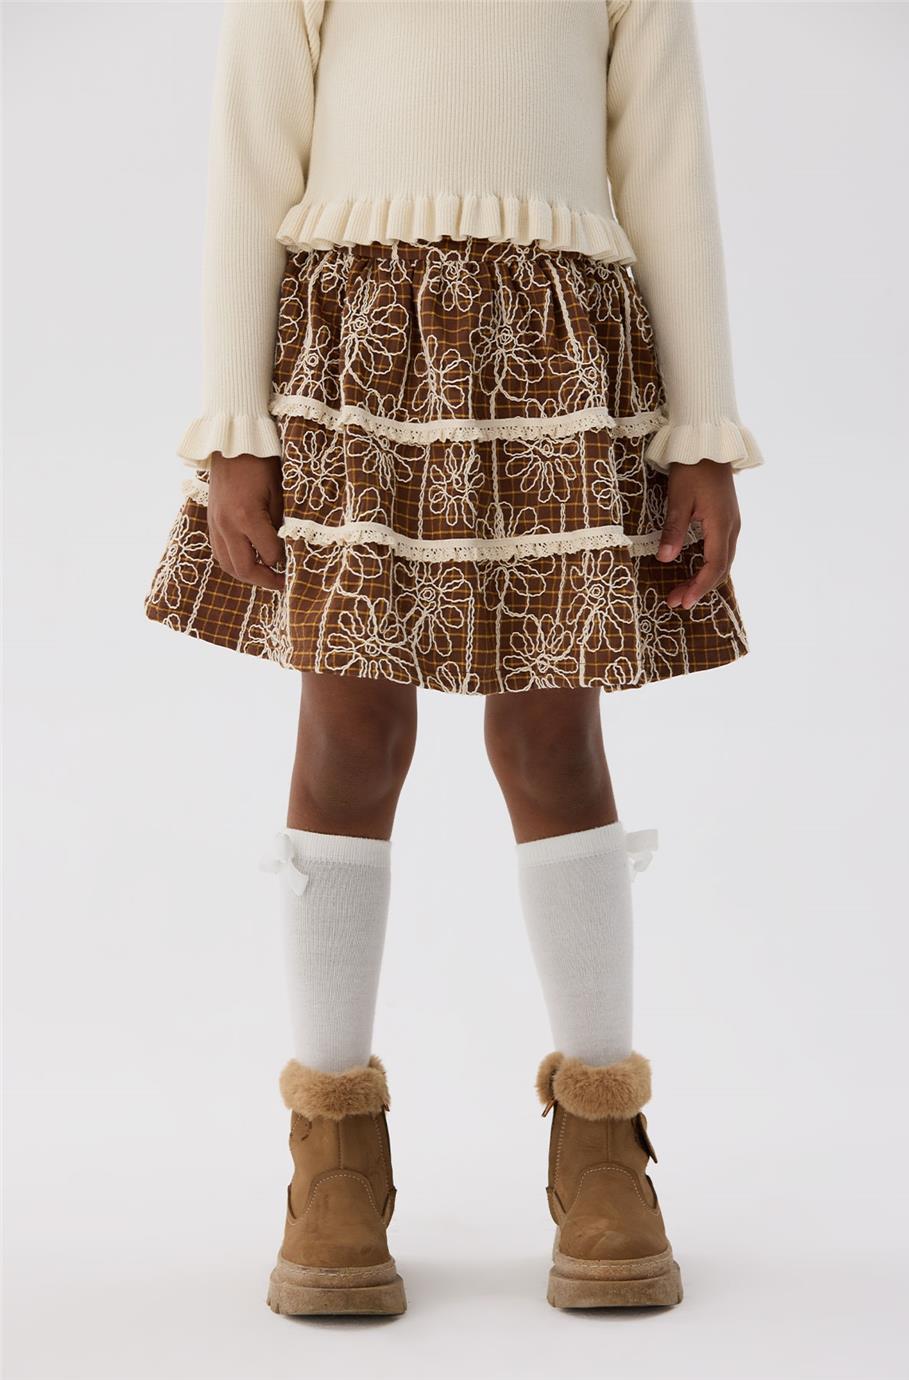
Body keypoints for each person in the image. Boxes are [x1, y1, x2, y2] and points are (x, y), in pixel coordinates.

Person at [146, 0, 762, 1316]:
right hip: (359, 347)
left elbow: (666, 156)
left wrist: (702, 427)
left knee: (554, 738)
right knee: (349, 738)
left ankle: (601, 1139)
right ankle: (332, 1152)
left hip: (554, 348)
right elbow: (250, 146)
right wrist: (236, 422)